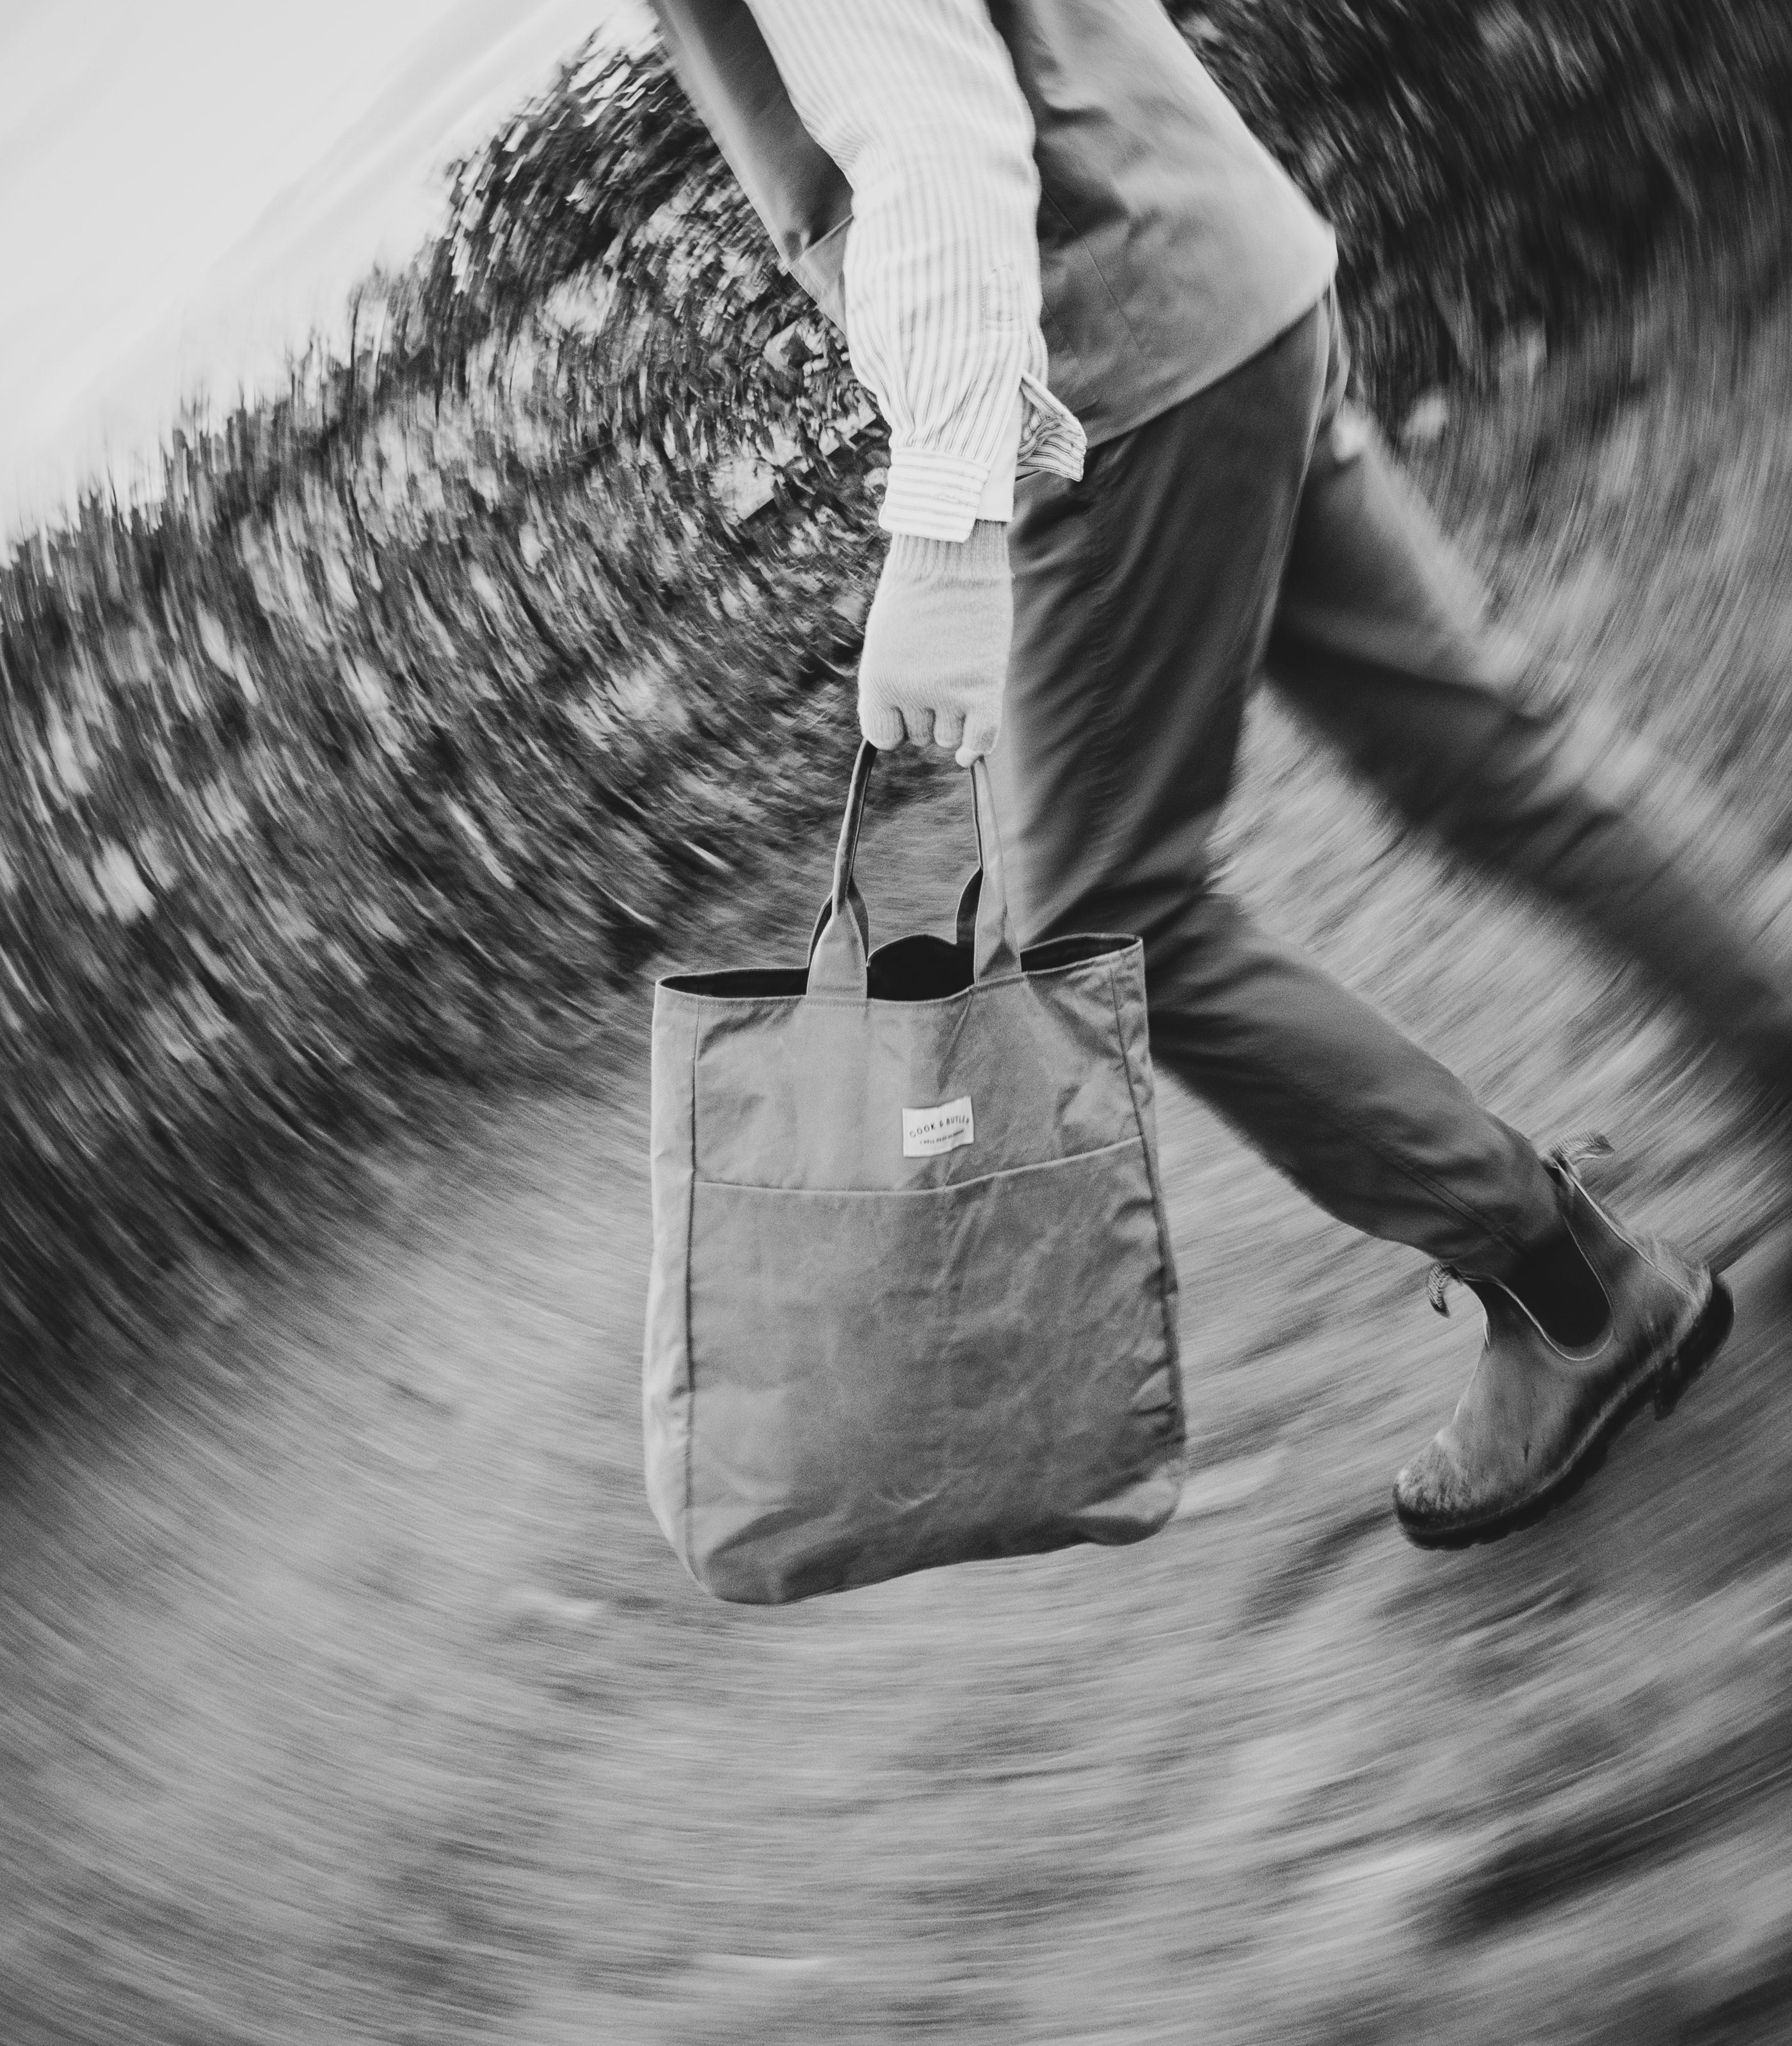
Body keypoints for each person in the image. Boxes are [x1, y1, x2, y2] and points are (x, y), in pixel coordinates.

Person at [648, 0, 1786, 1547]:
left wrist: (944, 535)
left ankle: (1575, 1297)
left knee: (1102, 925)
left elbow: (930, 130)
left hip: (1108, 371)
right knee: (1494, 751)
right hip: (1225, 267)